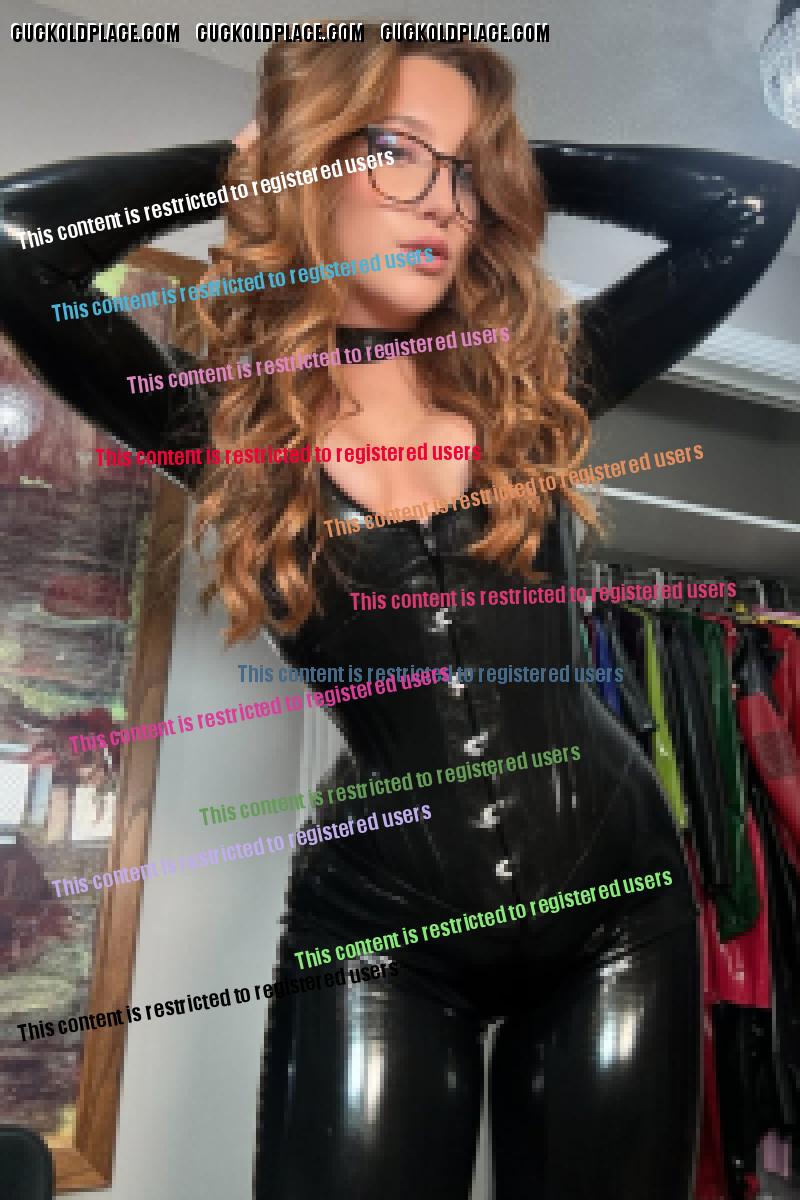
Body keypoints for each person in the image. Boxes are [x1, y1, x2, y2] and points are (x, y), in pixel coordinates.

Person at [1, 25, 798, 1200]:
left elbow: (752, 205)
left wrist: (504, 165)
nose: (441, 200)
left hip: (615, 909)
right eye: (391, 153)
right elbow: (17, 242)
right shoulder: (220, 426)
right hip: (382, 921)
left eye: (466, 172)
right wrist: (244, 166)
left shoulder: (534, 390)